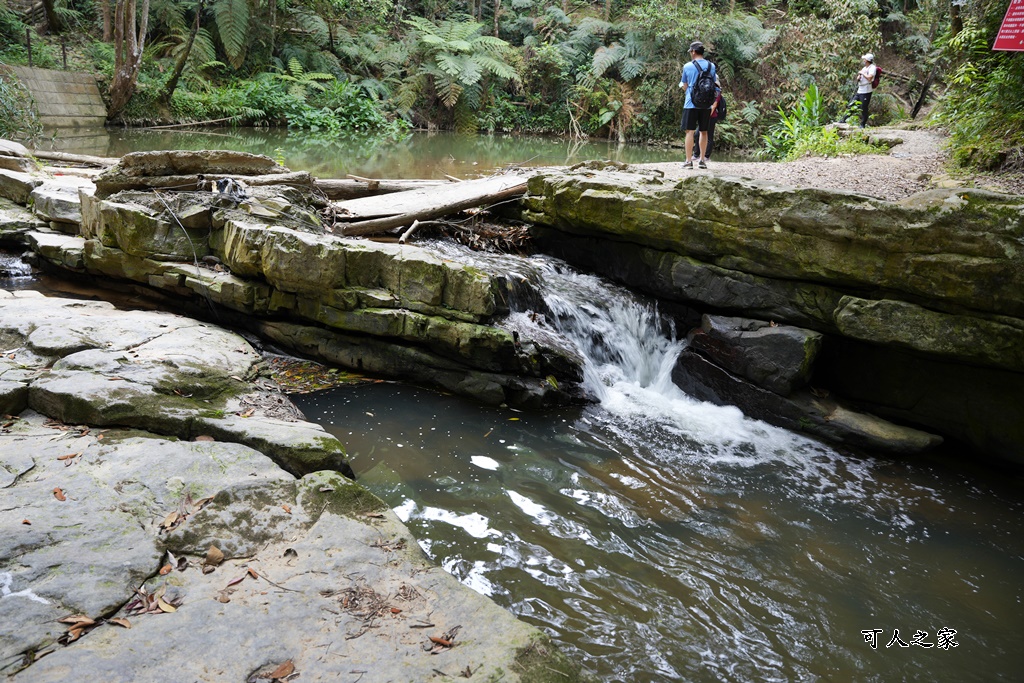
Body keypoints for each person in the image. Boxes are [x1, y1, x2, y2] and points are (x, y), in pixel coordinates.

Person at [679, 41, 718, 169]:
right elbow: (714, 85)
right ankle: (702, 160)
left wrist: (687, 89)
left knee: (689, 132)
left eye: (691, 51)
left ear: (694, 52)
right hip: (706, 104)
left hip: (691, 103)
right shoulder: (711, 66)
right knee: (704, 132)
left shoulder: (687, 66)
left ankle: (689, 161)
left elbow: (684, 85)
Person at [691, 88, 724, 162]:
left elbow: (714, 105)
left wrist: (707, 115)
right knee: (697, 134)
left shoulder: (717, 92)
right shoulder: (706, 90)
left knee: (709, 136)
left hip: (711, 117)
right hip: (704, 115)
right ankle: (696, 154)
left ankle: (706, 156)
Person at [853, 53, 877, 128]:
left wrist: (862, 73)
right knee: (852, 104)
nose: (863, 60)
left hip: (866, 90)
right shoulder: (864, 68)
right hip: (860, 90)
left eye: (864, 59)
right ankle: (843, 119)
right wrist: (859, 77)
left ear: (867, 60)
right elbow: (860, 77)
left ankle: (862, 124)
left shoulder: (872, 68)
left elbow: (870, 78)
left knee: (864, 108)